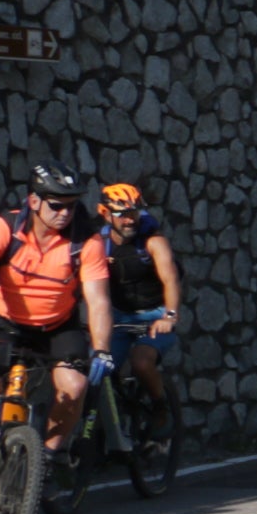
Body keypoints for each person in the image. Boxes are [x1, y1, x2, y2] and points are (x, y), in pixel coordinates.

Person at [0, 165, 114, 475]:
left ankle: (48, 454)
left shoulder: (87, 242)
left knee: (75, 386)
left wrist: (101, 349)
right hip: (4, 322)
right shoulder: (3, 228)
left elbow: (98, 300)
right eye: (56, 205)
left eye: (71, 205)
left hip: (58, 325)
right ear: (33, 202)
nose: (65, 213)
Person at [96, 182, 185, 428]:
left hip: (154, 316)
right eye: (122, 215)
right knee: (98, 370)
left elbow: (170, 280)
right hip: (119, 316)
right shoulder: (98, 244)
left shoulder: (154, 242)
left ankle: (159, 405)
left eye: (134, 214)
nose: (129, 221)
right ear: (104, 213)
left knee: (142, 362)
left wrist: (170, 315)